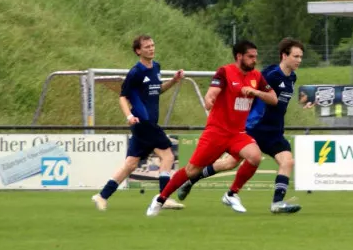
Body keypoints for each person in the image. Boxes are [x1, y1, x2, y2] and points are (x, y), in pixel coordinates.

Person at [146, 40, 279, 216]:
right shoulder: (225, 72)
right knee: (192, 170)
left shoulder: (256, 76)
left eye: (255, 56)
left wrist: (257, 93)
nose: (255, 60)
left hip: (237, 133)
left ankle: (231, 194)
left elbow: (274, 99)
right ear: (239, 56)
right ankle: (160, 199)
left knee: (255, 157)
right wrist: (210, 99)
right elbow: (212, 92)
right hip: (217, 131)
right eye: (250, 57)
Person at [175, 38, 304, 214]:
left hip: (274, 131)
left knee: (287, 161)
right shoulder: (270, 74)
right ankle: (192, 180)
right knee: (229, 164)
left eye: (300, 57)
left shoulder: (292, 78)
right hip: (255, 127)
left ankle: (277, 203)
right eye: (295, 56)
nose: (299, 60)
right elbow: (247, 88)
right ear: (284, 56)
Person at [92, 35, 185, 211]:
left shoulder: (156, 67)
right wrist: (129, 116)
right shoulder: (136, 72)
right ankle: (163, 198)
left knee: (131, 164)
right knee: (168, 156)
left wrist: (173, 81)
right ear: (138, 51)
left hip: (146, 123)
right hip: (143, 123)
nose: (151, 48)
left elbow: (157, 90)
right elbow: (122, 97)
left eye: (152, 45)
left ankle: (102, 196)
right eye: (147, 46)